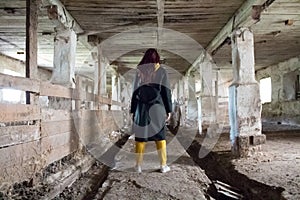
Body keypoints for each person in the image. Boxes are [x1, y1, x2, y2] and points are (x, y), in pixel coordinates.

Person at [130, 48, 172, 173]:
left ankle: (138, 166)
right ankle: (163, 166)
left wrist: (133, 110)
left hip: (141, 108)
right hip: (157, 108)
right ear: (157, 59)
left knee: (141, 136)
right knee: (160, 136)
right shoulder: (162, 71)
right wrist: (169, 109)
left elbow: (134, 91)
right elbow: (166, 92)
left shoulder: (139, 72)